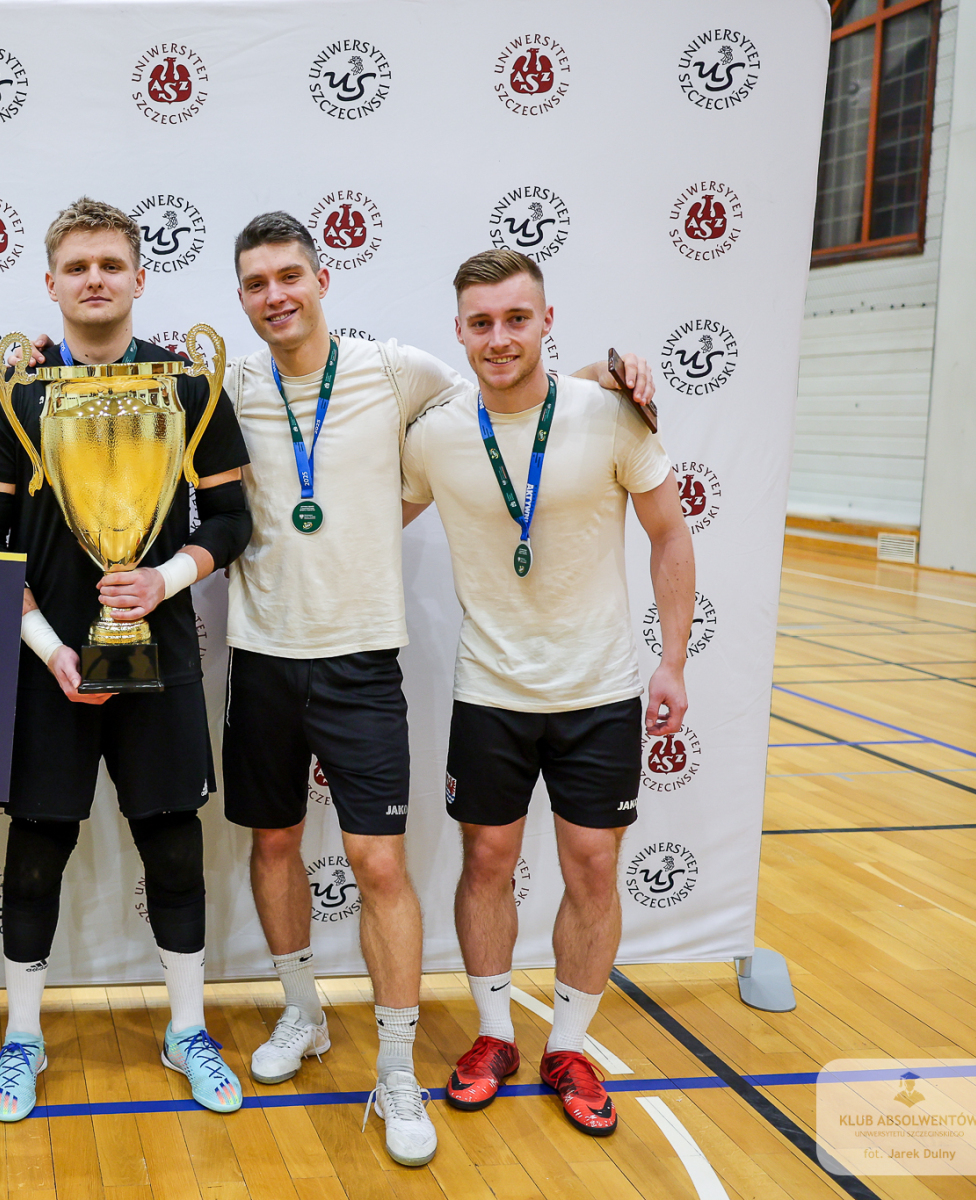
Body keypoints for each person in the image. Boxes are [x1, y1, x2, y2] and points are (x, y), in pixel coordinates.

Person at [221, 214, 657, 1166]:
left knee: (380, 867)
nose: (276, 295)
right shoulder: (233, 383)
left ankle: (396, 1068)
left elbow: (507, 400)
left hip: (364, 658)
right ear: (242, 297)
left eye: (290, 275)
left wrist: (599, 379)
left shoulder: (396, 370)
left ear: (322, 278)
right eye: (256, 283)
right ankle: (303, 1013)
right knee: (274, 843)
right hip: (261, 652)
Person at [0, 197, 253, 1123]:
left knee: (174, 846)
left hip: (161, 655)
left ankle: (188, 1029)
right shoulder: (14, 392)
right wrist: (50, 650)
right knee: (35, 852)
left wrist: (165, 579)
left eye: (110, 264)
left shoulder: (188, 385)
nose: (94, 279)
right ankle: (23, 1038)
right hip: (48, 666)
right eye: (77, 267)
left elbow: (232, 520)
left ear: (139, 278)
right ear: (50, 283)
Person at [400, 248, 694, 1138]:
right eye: (481, 323)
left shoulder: (610, 415)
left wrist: (673, 661)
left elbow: (670, 535)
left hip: (599, 691)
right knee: (487, 862)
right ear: (459, 332)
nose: (499, 338)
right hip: (490, 690)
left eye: (516, 319)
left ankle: (568, 1046)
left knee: (592, 866)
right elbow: (366, 518)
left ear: (547, 321)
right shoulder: (436, 435)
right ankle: (495, 1034)